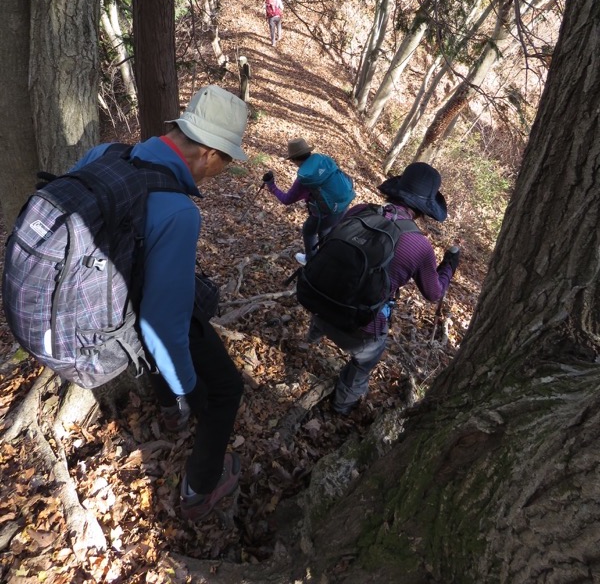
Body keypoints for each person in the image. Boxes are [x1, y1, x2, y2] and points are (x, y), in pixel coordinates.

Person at [73, 85, 248, 521]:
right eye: (226, 160)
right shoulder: (178, 211)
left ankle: (169, 415)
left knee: (158, 343)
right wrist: (188, 388)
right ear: (208, 154)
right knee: (225, 389)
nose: (222, 171)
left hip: (100, 305)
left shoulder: (106, 154)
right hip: (135, 313)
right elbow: (161, 326)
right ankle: (199, 490)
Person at [306, 162, 460, 416]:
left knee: (336, 291)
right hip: (359, 327)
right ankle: (342, 405)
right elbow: (434, 293)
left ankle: (309, 342)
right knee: (368, 358)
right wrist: (450, 264)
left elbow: (330, 243)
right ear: (423, 210)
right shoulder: (419, 246)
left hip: (318, 301)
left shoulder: (360, 210)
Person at [263, 138, 352, 266]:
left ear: (294, 160)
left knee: (308, 231)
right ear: (308, 152)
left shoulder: (305, 178)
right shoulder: (323, 160)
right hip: (343, 206)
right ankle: (324, 259)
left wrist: (271, 186)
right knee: (324, 231)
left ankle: (311, 261)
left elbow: (287, 200)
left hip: (325, 214)